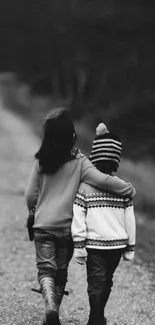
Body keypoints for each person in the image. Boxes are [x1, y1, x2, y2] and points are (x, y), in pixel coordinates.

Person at [25, 110, 135, 325]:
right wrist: (128, 189)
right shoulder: (80, 162)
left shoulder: (40, 162)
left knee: (46, 268)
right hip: (66, 228)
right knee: (61, 270)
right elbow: (103, 180)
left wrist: (33, 212)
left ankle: (51, 308)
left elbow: (31, 195)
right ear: (72, 135)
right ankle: (54, 308)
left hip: (43, 226)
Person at [71, 123, 136, 325]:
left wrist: (79, 244)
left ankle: (96, 316)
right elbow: (129, 220)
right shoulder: (123, 189)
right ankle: (97, 317)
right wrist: (130, 247)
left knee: (99, 281)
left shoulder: (86, 188)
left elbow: (78, 216)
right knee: (104, 280)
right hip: (108, 245)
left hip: (102, 245)